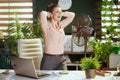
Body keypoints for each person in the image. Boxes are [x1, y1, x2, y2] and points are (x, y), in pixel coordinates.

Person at [39, 3, 75, 70]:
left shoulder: (61, 25)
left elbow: (72, 15)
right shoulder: (46, 26)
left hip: (61, 59)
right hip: (49, 59)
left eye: (60, 12)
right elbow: (42, 13)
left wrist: (62, 13)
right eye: (57, 12)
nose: (60, 14)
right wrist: (49, 14)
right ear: (51, 14)